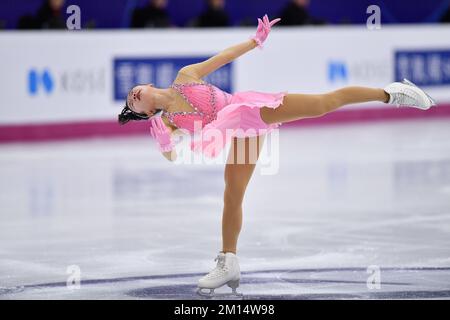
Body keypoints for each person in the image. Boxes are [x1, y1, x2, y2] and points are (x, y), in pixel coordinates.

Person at [117, 15, 436, 296]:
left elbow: (223, 57)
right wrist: (164, 142)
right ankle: (228, 262)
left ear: (146, 84)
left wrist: (255, 40)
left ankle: (392, 93)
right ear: (145, 113)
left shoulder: (186, 76)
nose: (133, 97)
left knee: (323, 103)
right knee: (232, 195)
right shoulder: (168, 122)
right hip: (240, 132)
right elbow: (174, 157)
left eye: (134, 93)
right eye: (132, 105)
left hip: (250, 109)